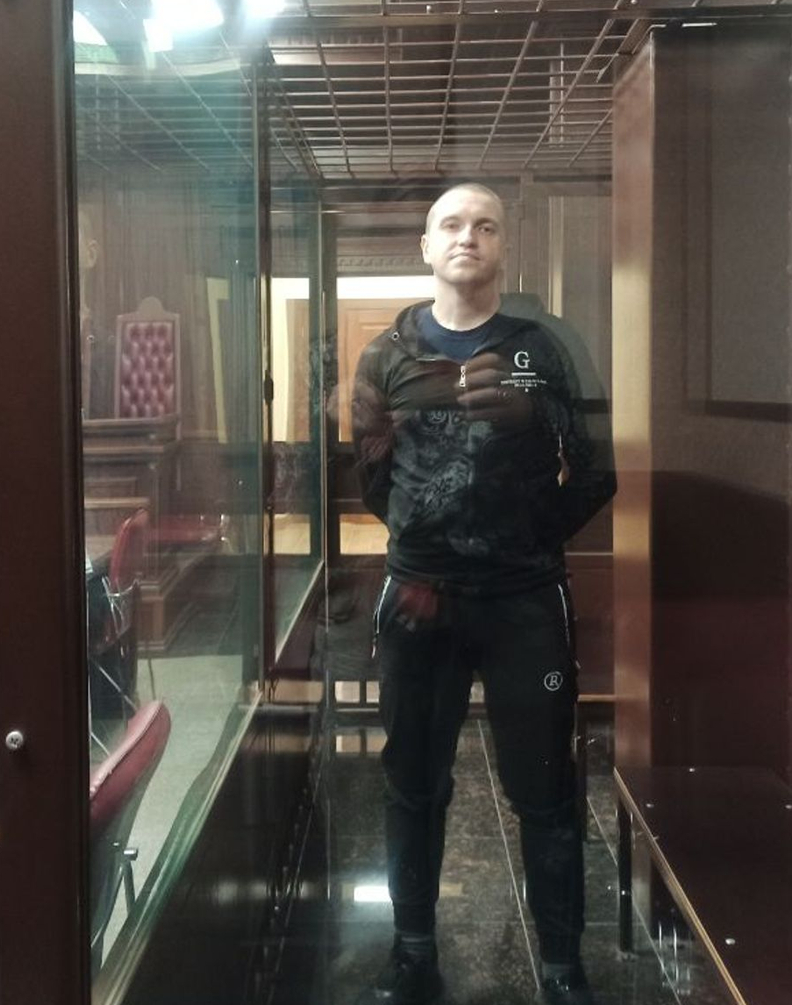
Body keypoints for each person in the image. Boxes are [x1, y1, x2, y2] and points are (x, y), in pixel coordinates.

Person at [351, 184, 616, 1005]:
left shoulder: (548, 348)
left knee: (545, 786)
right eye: (452, 225)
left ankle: (563, 969)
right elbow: (373, 478)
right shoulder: (386, 356)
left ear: (504, 246)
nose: (468, 237)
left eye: (485, 226)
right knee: (411, 781)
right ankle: (412, 952)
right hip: (418, 600)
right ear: (427, 247)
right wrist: (428, 541)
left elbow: (597, 470)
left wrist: (528, 537)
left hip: (524, 602)